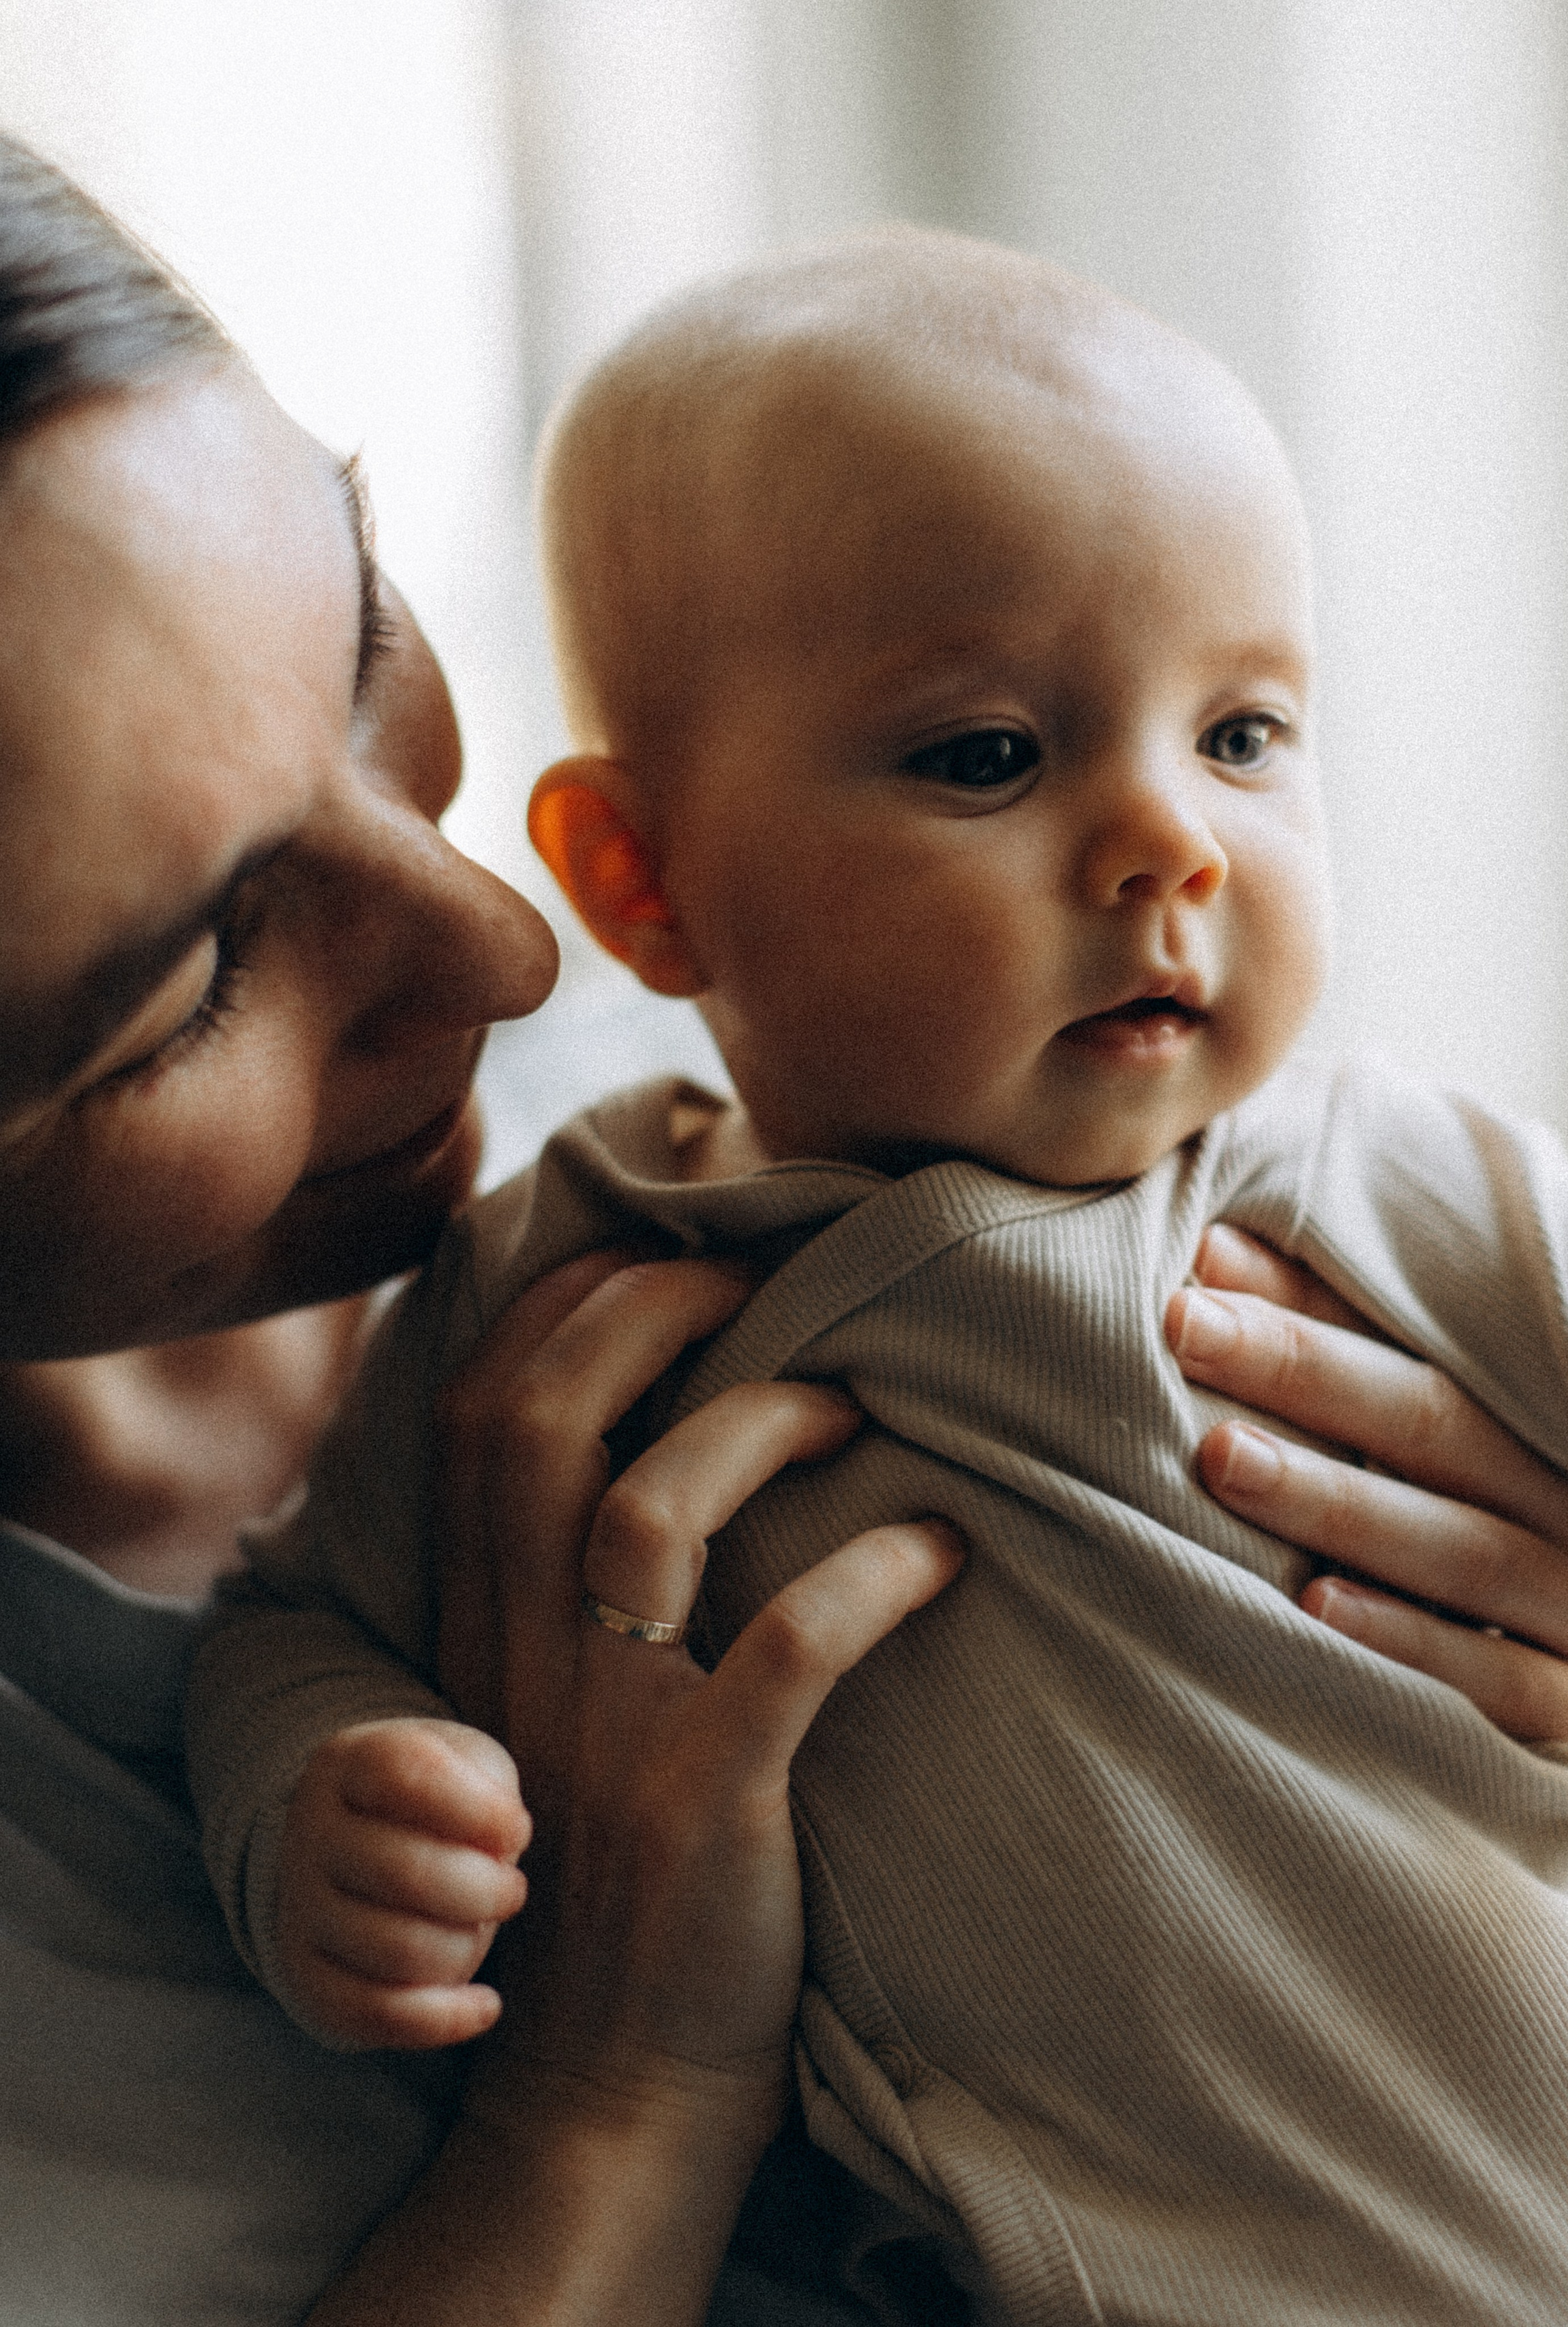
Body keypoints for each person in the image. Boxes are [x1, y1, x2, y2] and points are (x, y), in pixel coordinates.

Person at [187, 225, 1568, 2322]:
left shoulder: (1344, 1179)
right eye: (991, 756)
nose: (1169, 842)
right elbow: (291, 1626)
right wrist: (329, 1808)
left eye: (1247, 736)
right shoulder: (558, 1297)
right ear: (645, 883)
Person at [0, 132, 964, 2327]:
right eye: (190, 992)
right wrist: (618, 2085)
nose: (511, 951)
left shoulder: (733, 1090)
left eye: (357, 633)